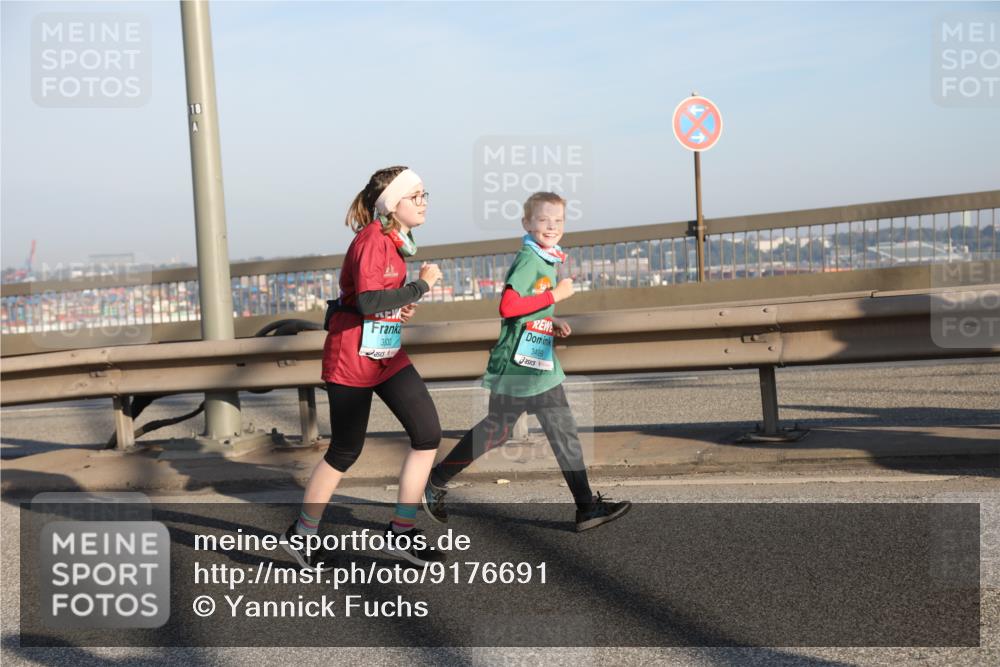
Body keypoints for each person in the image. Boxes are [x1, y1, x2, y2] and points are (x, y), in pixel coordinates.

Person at [423, 192, 631, 532]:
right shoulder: (529, 261)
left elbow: (528, 307)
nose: (551, 226)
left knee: (504, 429)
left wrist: (551, 318)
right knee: (535, 430)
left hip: (532, 361)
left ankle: (435, 481)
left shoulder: (544, 258)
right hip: (522, 366)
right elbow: (508, 307)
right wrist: (555, 296)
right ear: (526, 224)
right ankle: (586, 508)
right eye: (543, 220)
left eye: (558, 221)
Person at [283, 166, 447, 568]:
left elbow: (373, 301)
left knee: (427, 434)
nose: (424, 202)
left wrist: (401, 305)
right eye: (417, 196)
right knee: (345, 450)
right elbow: (370, 302)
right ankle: (301, 535)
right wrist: (421, 286)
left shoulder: (395, 241)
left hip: (386, 354)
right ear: (394, 203)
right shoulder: (372, 240)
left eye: (425, 194)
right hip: (353, 358)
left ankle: (401, 531)